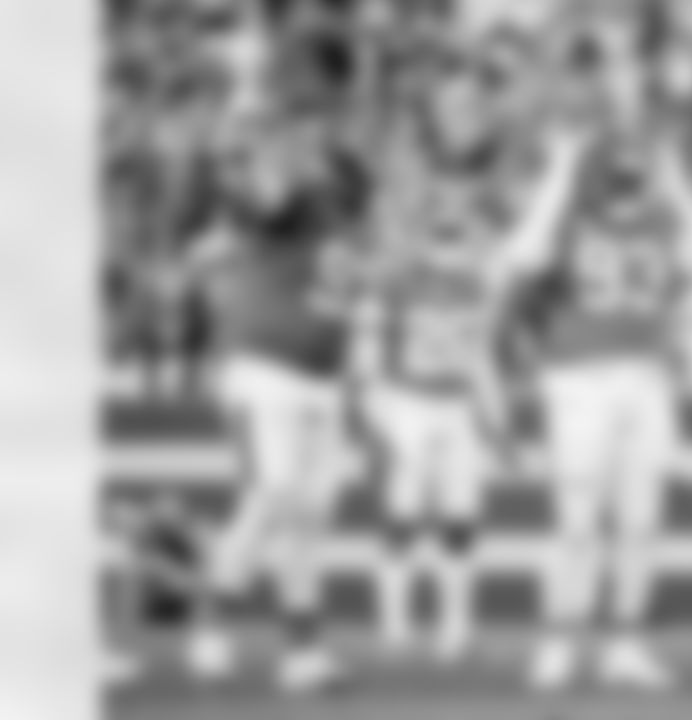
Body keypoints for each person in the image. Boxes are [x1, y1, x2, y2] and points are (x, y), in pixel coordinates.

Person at [347, 124, 589, 661]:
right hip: (406, 401)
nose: (451, 225)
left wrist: (562, 169)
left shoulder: (484, 271)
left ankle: (455, 623)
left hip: (458, 404)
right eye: (441, 216)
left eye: (459, 214)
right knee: (400, 514)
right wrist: (370, 414)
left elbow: (534, 238)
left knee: (461, 517)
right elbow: (367, 342)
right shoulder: (398, 275)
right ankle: (396, 623)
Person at [517, 134, 692, 692]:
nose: (627, 177)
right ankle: (559, 643)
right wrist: (558, 174)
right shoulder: (567, 218)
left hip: (645, 378)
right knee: (577, 521)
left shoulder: (664, 221)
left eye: (635, 167)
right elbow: (523, 257)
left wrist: (682, 186)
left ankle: (625, 644)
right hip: (579, 379)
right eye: (618, 169)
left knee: (640, 521)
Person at [178, 133, 356, 693]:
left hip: (318, 381)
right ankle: (208, 616)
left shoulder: (337, 215)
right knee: (273, 493)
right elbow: (264, 200)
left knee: (307, 517)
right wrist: (257, 163)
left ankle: (302, 653)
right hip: (266, 369)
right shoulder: (292, 202)